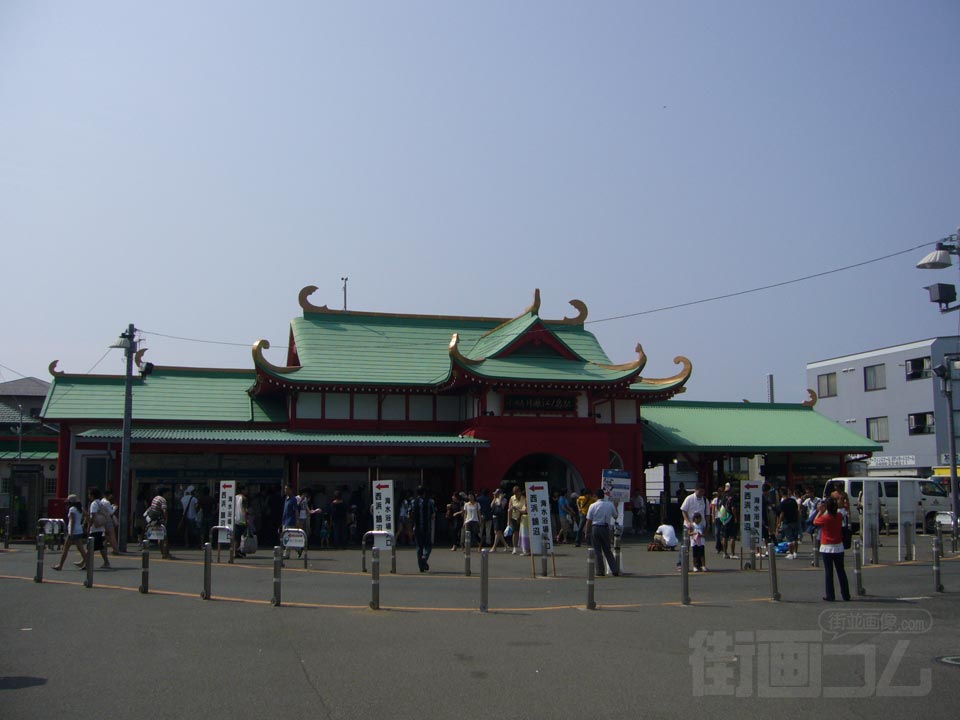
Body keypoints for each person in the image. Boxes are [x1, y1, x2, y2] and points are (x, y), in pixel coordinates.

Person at [813, 497, 851, 601]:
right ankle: (846, 594)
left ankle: (830, 595)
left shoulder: (825, 517)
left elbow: (815, 522)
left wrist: (820, 511)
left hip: (827, 546)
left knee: (829, 572)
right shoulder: (839, 516)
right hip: (838, 546)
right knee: (841, 571)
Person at [584, 488, 620, 576]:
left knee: (597, 551)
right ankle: (615, 570)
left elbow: (589, 520)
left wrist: (586, 531)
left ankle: (600, 571)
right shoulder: (610, 505)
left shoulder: (593, 506)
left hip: (595, 527)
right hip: (605, 528)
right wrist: (616, 506)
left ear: (595, 496)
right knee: (607, 549)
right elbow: (615, 516)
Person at [52, 494, 89, 571]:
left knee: (65, 549)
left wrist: (71, 533)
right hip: (79, 530)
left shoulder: (72, 509)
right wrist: (83, 524)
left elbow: (72, 521)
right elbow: (87, 515)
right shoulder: (80, 509)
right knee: (81, 549)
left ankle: (60, 565)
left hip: (73, 531)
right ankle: (88, 563)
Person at [679, 485, 708, 570]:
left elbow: (707, 514)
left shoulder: (705, 500)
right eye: (699, 491)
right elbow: (683, 510)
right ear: (696, 490)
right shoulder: (689, 498)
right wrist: (688, 521)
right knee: (686, 545)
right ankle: (681, 563)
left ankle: (698, 564)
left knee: (699, 545)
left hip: (700, 526)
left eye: (702, 491)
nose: (701, 493)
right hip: (689, 525)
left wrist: (707, 525)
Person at [411, 486, 435, 572]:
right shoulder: (430, 502)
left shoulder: (413, 502)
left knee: (419, 547)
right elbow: (433, 514)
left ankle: (421, 566)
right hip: (426, 527)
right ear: (424, 493)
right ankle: (424, 558)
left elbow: (410, 514)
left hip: (416, 527)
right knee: (428, 545)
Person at [86, 488, 111, 569]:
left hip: (95, 528)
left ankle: (86, 563)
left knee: (90, 546)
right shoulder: (100, 502)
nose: (88, 496)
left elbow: (93, 516)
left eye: (89, 494)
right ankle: (84, 562)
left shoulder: (93, 504)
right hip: (101, 527)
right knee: (100, 547)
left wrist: (89, 526)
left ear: (92, 495)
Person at [146, 487, 172, 559]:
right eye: (168, 493)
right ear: (164, 493)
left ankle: (163, 553)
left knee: (159, 537)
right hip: (159, 520)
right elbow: (164, 511)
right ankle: (165, 554)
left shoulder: (155, 498)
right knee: (164, 538)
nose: (169, 495)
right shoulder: (163, 500)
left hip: (153, 520)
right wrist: (166, 520)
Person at [776, 486, 800, 559]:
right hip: (795, 521)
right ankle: (795, 552)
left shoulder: (783, 503)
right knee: (795, 538)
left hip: (787, 522)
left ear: (781, 493)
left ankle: (791, 553)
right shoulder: (793, 501)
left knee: (789, 539)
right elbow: (797, 511)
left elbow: (782, 514)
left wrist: (779, 523)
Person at [720, 483, 739, 559]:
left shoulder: (724, 497)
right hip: (731, 517)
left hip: (725, 517)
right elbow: (733, 508)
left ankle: (725, 553)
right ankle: (732, 553)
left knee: (725, 536)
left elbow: (721, 506)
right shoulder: (733, 497)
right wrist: (735, 517)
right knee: (732, 536)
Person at [281, 484, 299, 559]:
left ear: (291, 490)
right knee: (285, 538)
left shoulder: (293, 499)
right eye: (285, 489)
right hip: (285, 521)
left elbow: (296, 511)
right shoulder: (286, 498)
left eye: (287, 489)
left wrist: (297, 521)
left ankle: (286, 554)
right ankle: (298, 548)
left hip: (290, 521)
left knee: (287, 537)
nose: (285, 490)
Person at [101, 489, 121, 556]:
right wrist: (115, 508)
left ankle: (106, 549)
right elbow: (111, 512)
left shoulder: (102, 501)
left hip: (103, 520)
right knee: (112, 536)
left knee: (106, 535)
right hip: (108, 520)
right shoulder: (107, 502)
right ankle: (116, 550)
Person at [508, 485, 527, 555]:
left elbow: (525, 510)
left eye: (517, 492)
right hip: (514, 517)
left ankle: (523, 547)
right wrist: (508, 521)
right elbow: (509, 509)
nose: (516, 494)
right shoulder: (512, 498)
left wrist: (517, 509)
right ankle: (514, 548)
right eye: (514, 493)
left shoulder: (524, 498)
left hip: (522, 517)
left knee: (523, 532)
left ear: (520, 492)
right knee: (515, 532)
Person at [179, 485, 200, 549]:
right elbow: (197, 508)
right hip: (193, 516)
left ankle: (187, 543)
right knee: (195, 531)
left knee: (186, 531)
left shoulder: (183, 498)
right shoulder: (194, 498)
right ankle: (198, 543)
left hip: (185, 516)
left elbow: (181, 507)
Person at [233, 485, 249, 559]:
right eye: (245, 490)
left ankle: (236, 551)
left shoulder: (235, 497)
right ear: (242, 490)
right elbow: (244, 510)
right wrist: (246, 520)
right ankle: (237, 551)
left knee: (236, 537)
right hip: (242, 520)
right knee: (241, 537)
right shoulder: (244, 498)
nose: (247, 491)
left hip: (235, 519)